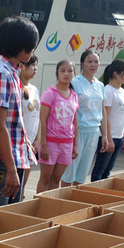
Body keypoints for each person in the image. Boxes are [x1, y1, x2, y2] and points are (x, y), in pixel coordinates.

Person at [0, 17, 39, 220]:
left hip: (12, 159)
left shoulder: (12, 71)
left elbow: (12, 121)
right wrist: (11, 169)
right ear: (21, 46)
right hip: (3, 162)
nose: (32, 52)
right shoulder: (0, 73)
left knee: (5, 219)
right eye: (31, 46)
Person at [61, 50, 109, 187]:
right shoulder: (75, 83)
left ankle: (75, 201)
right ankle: (62, 200)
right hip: (77, 132)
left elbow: (103, 111)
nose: (93, 65)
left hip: (94, 132)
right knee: (70, 171)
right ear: (82, 64)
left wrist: (105, 135)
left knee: (82, 172)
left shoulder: (100, 86)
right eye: (89, 61)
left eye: (96, 62)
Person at [36, 60, 79, 193]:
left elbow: (75, 121)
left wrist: (75, 145)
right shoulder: (50, 93)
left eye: (70, 71)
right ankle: (40, 206)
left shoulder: (74, 95)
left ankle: (50, 207)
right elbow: (42, 119)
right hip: (50, 142)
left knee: (56, 179)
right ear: (57, 73)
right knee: (45, 178)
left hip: (67, 144)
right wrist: (43, 145)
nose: (66, 74)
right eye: (63, 70)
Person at [92, 60, 124, 181]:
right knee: (100, 168)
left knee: (108, 169)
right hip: (109, 136)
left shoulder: (122, 90)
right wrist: (108, 138)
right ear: (116, 74)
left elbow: (123, 115)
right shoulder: (108, 90)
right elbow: (105, 116)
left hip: (118, 135)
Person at [20, 55, 40, 199]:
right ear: (22, 66)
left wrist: (37, 140)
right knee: (18, 183)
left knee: (24, 183)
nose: (35, 68)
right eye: (32, 65)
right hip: (20, 143)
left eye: (36, 65)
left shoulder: (34, 89)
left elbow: (38, 116)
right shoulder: (18, 88)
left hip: (32, 145)